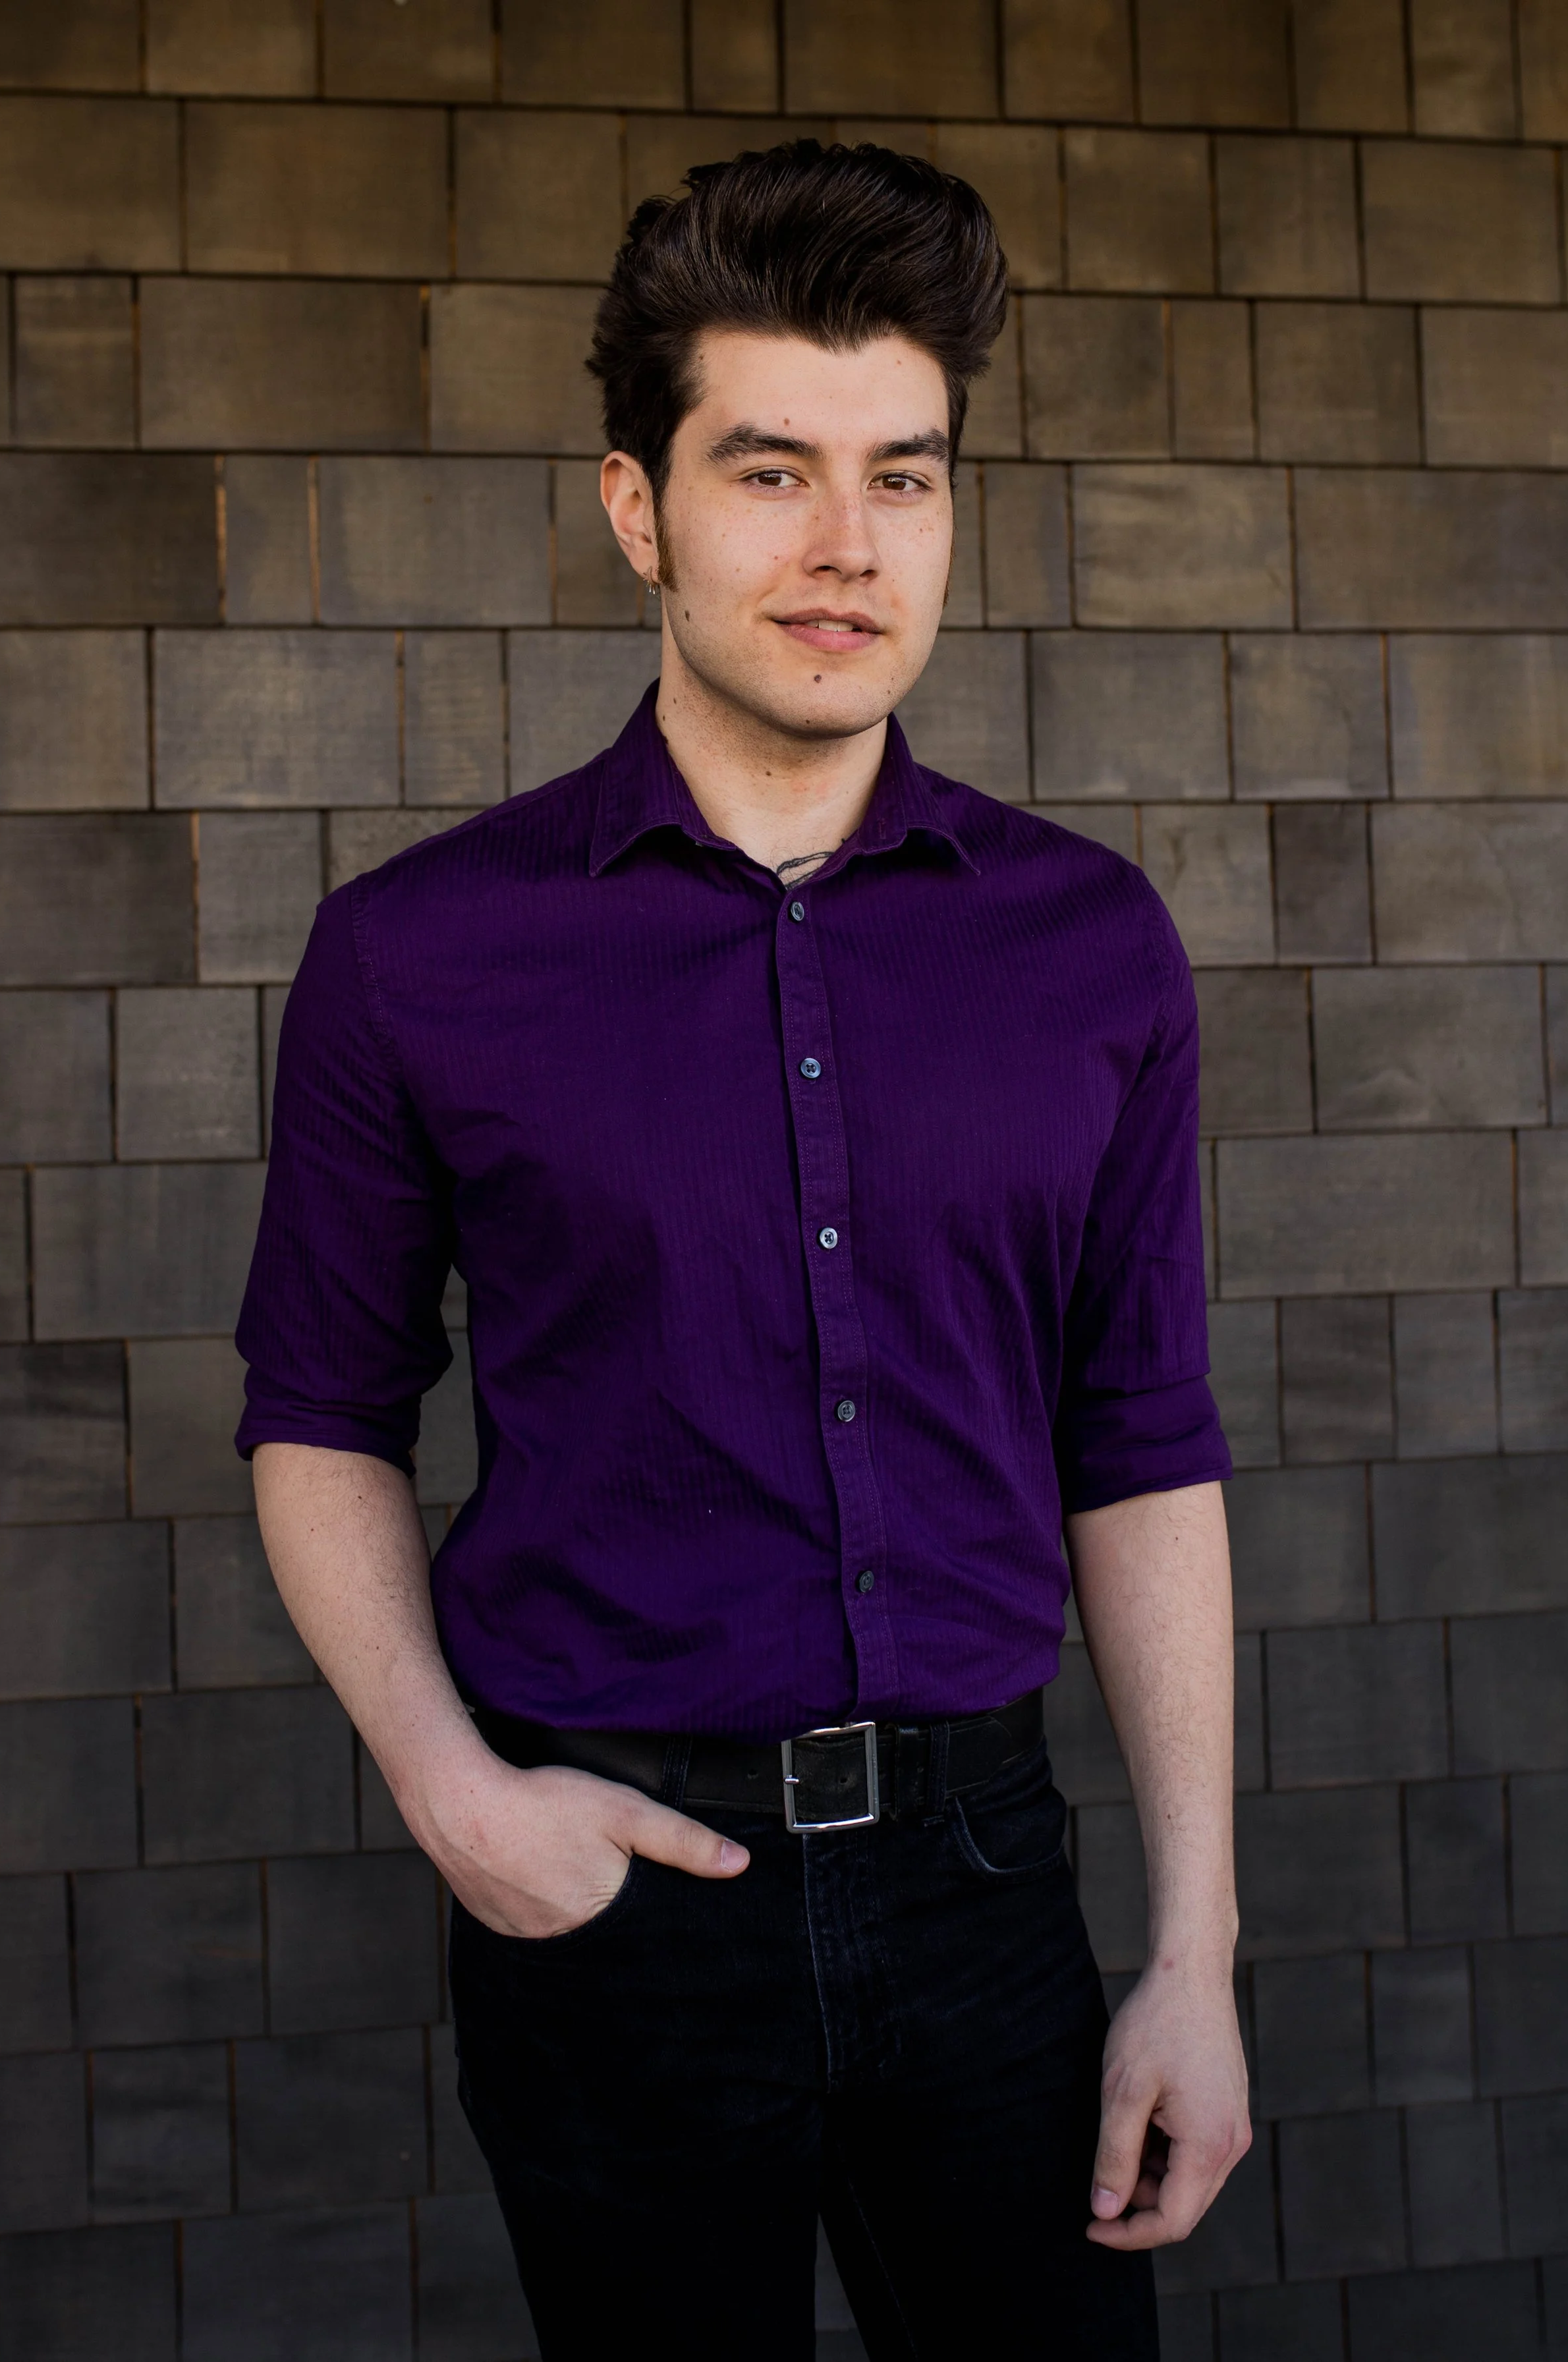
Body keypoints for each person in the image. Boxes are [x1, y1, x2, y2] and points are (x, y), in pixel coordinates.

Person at [236, 140, 1250, 2361]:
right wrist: (450, 1795)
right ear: (640, 509)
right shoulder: (417, 954)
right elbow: (317, 1412)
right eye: (770, 471)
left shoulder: (1089, 946)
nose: (843, 546)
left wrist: (1194, 1951)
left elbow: (1143, 1440)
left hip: (987, 1885)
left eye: (903, 478)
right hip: (619, 1906)